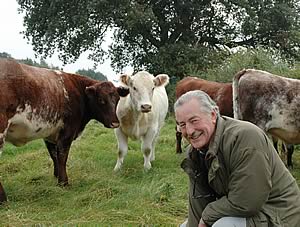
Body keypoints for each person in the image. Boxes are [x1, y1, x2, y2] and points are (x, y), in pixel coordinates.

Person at [174, 90, 300, 227]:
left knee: (223, 225)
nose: (190, 131)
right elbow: (199, 201)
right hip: (244, 210)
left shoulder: (245, 137)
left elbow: (247, 201)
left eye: (194, 120)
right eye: (183, 124)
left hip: (279, 213)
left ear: (212, 115)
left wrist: (207, 216)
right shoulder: (195, 152)